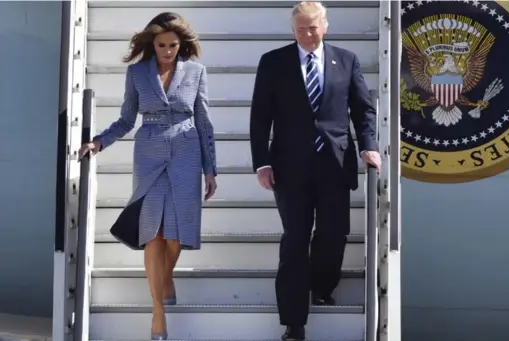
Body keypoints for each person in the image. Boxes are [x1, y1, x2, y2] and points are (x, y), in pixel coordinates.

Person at [78, 12, 217, 340]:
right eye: (161, 45)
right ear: (152, 45)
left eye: (173, 45)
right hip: (149, 151)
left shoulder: (196, 72)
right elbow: (127, 119)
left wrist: (211, 168)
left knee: (175, 235)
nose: (168, 51)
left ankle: (165, 277)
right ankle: (158, 311)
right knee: (152, 232)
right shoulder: (137, 73)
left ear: (181, 45)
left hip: (186, 150)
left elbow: (205, 120)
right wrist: (99, 141)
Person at [249, 2, 382, 340]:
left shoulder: (346, 60)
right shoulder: (274, 62)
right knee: (295, 239)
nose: (307, 35)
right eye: (300, 30)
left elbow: (363, 109)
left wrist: (368, 145)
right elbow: (260, 116)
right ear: (292, 30)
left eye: (312, 28)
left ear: (325, 25)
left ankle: (322, 284)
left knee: (333, 234)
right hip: (289, 168)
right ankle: (293, 322)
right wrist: (261, 162)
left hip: (334, 165)